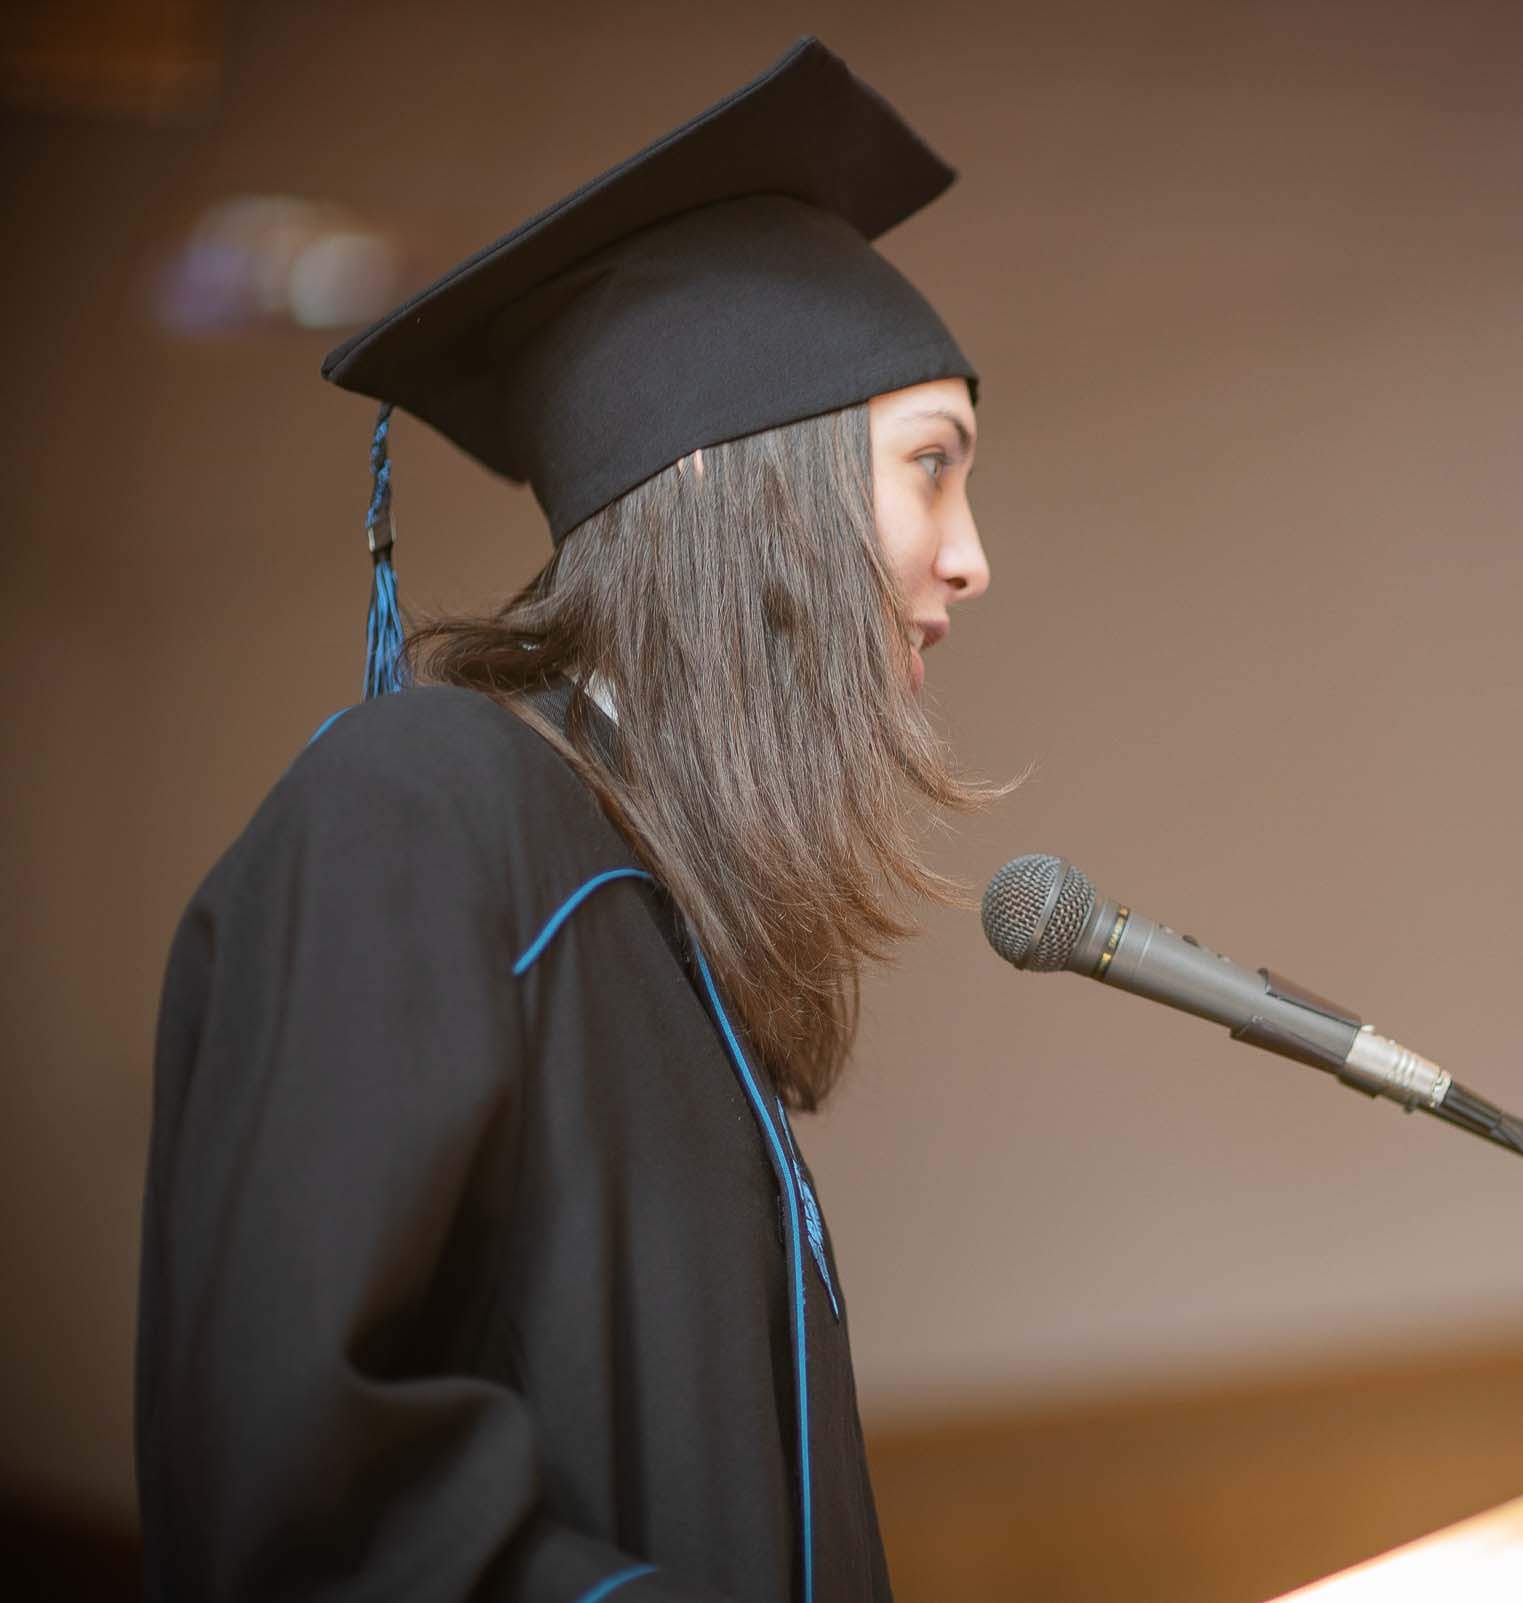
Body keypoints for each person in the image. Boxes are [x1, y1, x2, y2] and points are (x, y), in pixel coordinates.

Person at [137, 39, 989, 1603]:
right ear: (741, 481)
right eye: (931, 468)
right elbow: (299, 1492)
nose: (970, 557)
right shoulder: (421, 811)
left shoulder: (663, 910)